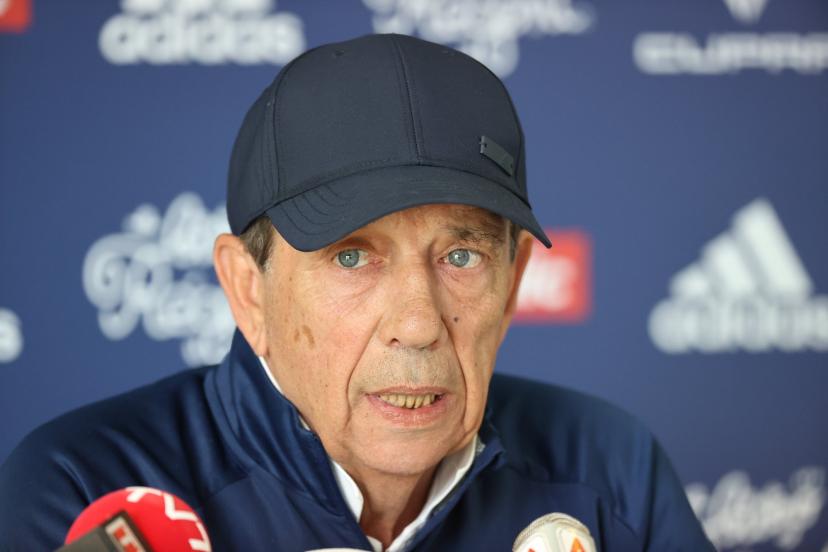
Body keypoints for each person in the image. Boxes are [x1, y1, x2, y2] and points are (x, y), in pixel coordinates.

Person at [0, 34, 714, 551]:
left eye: (460, 255)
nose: (418, 324)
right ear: (248, 290)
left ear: (513, 281)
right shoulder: (86, 488)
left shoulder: (609, 468)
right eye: (351, 256)